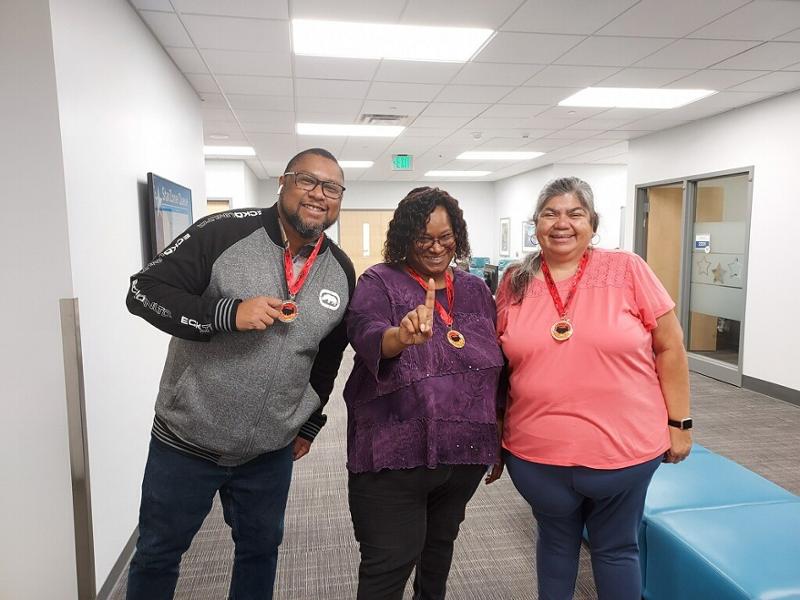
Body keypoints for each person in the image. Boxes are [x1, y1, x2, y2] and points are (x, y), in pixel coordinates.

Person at [124, 148, 355, 600]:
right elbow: (143, 291)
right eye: (307, 180)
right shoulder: (224, 231)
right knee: (158, 553)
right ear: (283, 183)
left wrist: (309, 421)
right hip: (186, 440)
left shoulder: (341, 270)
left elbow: (328, 358)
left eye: (332, 187)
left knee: (260, 551)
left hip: (268, 453)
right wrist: (226, 313)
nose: (319, 194)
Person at [495, 177, 692, 600]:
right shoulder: (515, 280)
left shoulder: (628, 269)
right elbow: (498, 365)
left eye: (574, 213)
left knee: (617, 548)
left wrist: (680, 422)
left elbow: (670, 346)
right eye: (550, 213)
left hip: (624, 451)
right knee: (555, 541)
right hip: (536, 454)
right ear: (536, 224)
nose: (561, 223)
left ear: (593, 223)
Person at [343, 187, 505, 600]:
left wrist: (498, 433)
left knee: (437, 557)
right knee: (388, 566)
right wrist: (400, 336)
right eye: (424, 238)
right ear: (404, 238)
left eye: (445, 237)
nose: (436, 247)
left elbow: (496, 364)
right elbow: (366, 333)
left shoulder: (474, 290)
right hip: (394, 459)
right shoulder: (379, 281)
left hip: (463, 453)